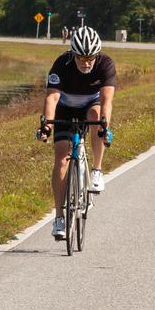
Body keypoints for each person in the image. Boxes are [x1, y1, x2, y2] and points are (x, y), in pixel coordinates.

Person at [35, 26, 116, 241]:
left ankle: (97, 170)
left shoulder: (105, 64)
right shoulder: (62, 64)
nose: (87, 63)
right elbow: (51, 98)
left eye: (91, 58)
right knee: (61, 159)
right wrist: (46, 126)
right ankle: (60, 217)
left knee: (96, 117)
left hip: (92, 104)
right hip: (65, 108)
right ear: (73, 54)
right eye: (81, 58)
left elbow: (107, 99)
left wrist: (105, 126)